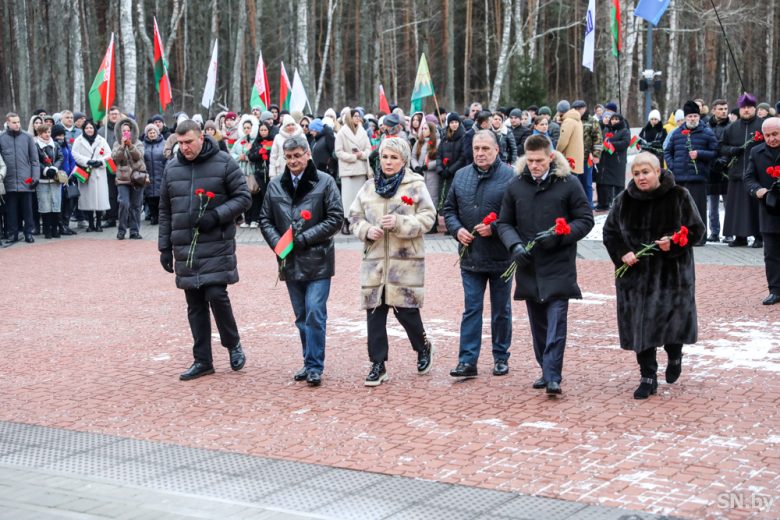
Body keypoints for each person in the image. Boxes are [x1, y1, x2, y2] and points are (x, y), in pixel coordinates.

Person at [497, 135, 594, 395]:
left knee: (556, 321)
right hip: (529, 265)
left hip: (559, 263)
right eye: (530, 161)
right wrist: (514, 245)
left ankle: (553, 374)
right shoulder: (515, 185)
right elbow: (504, 222)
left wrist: (560, 234)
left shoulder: (568, 183)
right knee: (538, 324)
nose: (534, 166)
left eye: (539, 160)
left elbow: (585, 219)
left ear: (550, 157)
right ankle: (545, 368)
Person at [602, 152, 705, 399]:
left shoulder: (679, 196)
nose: (641, 177)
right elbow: (609, 232)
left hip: (671, 276)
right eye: (636, 174)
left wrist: (676, 243)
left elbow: (697, 231)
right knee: (640, 326)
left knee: (673, 322)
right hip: (635, 278)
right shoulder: (623, 200)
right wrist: (622, 253)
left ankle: (674, 354)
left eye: (646, 172)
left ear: (658, 172)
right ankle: (648, 375)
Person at [158, 120, 251, 381]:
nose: (185, 147)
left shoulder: (223, 162)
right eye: (181, 143)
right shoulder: (172, 167)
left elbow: (244, 197)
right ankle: (202, 360)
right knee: (194, 303)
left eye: (189, 142)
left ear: (202, 137)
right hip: (185, 245)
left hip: (216, 243)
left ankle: (232, 343)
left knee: (216, 294)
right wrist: (164, 246)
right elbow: (165, 210)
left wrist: (216, 216)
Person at [348, 137, 435, 386]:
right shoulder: (368, 187)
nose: (388, 162)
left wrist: (401, 224)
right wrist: (365, 230)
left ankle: (423, 347)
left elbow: (428, 218)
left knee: (407, 312)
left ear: (404, 160)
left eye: (394, 157)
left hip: (405, 263)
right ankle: (378, 364)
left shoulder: (415, 185)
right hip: (375, 262)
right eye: (385, 157)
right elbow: (354, 217)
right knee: (375, 312)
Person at [259, 135, 343, 387]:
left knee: (315, 312)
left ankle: (315, 365)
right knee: (301, 315)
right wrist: (279, 244)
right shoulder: (275, 185)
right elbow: (265, 219)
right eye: (289, 157)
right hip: (289, 261)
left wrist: (303, 239)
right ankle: (308, 362)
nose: (294, 161)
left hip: (318, 258)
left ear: (308, 154)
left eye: (298, 155)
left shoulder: (325, 182)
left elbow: (335, 218)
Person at [443, 130, 514, 378]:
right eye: (476, 148)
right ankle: (467, 361)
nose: (480, 153)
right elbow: (449, 210)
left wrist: (495, 228)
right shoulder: (461, 175)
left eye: (485, 148)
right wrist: (457, 230)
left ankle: (501, 356)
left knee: (501, 309)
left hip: (501, 257)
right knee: (471, 308)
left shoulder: (510, 177)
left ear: (496, 150)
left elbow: (516, 215)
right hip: (471, 255)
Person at [664, 100, 719, 246]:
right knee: (680, 209)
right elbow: (668, 151)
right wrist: (672, 166)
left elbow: (715, 152)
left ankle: (700, 238)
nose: (692, 119)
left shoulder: (707, 132)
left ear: (699, 117)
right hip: (680, 177)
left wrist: (700, 154)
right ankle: (681, 237)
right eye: (690, 116)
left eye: (695, 116)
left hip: (698, 177)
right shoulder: (677, 133)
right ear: (685, 118)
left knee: (698, 209)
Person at [744, 117, 780, 305]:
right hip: (769, 208)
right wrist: (756, 189)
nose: (772, 139)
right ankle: (775, 290)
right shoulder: (756, 152)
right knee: (771, 253)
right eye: (768, 135)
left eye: (775, 134)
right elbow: (748, 178)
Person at [720, 93, 764, 248]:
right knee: (737, 208)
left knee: (756, 207)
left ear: (754, 108)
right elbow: (722, 146)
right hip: (737, 173)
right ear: (739, 109)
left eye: (749, 107)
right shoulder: (731, 128)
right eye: (743, 108)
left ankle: (759, 236)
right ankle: (740, 237)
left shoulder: (762, 125)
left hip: (757, 175)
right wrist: (733, 150)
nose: (746, 110)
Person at [0, 113, 40, 243]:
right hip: (9, 180)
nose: (17, 124)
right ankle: (13, 234)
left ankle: (28, 233)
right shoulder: (1, 138)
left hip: (26, 180)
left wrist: (35, 177)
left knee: (27, 210)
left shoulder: (28, 137)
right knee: (11, 210)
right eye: (14, 122)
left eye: (18, 122)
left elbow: (35, 161)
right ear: (8, 123)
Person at [335, 109, 373, 235]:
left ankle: (359, 222)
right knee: (348, 198)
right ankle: (346, 222)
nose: (357, 118)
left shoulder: (363, 131)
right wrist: (352, 157)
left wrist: (362, 154)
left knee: (360, 197)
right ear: (349, 118)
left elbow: (369, 148)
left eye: (358, 116)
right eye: (355, 116)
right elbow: (338, 152)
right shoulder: (342, 133)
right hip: (348, 170)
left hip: (361, 169)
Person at [72, 120, 110, 233]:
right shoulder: (78, 141)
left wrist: (100, 162)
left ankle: (98, 223)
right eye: (87, 128)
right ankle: (90, 224)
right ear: (83, 129)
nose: (89, 130)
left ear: (94, 129)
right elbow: (75, 154)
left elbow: (109, 154)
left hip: (99, 173)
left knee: (99, 199)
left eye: (91, 128)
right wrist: (87, 161)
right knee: (88, 199)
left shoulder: (101, 140)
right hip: (86, 172)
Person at [112, 118, 147, 240]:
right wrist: (122, 146)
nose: (126, 133)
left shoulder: (139, 143)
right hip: (122, 178)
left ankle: (134, 231)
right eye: (123, 131)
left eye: (128, 130)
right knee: (123, 203)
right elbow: (116, 159)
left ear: (132, 132)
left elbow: (138, 156)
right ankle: (121, 230)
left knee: (136, 206)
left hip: (137, 177)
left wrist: (130, 145)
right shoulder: (116, 144)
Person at [34, 123, 64, 239]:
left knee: (56, 204)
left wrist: (54, 168)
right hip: (43, 180)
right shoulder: (35, 145)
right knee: (45, 205)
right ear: (39, 133)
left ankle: (55, 229)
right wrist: (45, 169)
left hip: (55, 179)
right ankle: (47, 230)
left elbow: (60, 157)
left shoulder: (55, 144)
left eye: (49, 132)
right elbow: (35, 160)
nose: (47, 134)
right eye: (45, 132)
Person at [595, 113, 631, 211]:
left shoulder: (624, 131)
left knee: (617, 184)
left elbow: (625, 143)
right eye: (612, 119)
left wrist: (611, 145)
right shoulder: (607, 129)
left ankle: (619, 205)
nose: (614, 121)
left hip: (617, 161)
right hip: (606, 161)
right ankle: (604, 203)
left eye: (616, 119)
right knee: (604, 183)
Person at [706, 99, 730, 242]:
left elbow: (733, 145)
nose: (723, 111)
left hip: (727, 169)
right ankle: (714, 232)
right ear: (713, 110)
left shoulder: (732, 127)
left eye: (725, 108)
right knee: (713, 205)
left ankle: (729, 232)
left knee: (729, 204)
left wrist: (725, 160)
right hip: (711, 170)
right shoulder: (706, 127)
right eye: (720, 108)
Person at [230, 115, 260, 228]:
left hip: (252, 171)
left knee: (255, 194)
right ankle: (247, 219)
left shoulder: (255, 141)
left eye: (249, 127)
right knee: (246, 196)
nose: (247, 130)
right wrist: (239, 157)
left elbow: (257, 154)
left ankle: (255, 219)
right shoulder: (239, 141)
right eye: (245, 128)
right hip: (242, 172)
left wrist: (247, 158)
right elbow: (232, 154)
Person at [50, 124, 78, 236]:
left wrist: (71, 173)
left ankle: (66, 224)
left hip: (69, 178)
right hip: (59, 179)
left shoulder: (66, 146)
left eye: (62, 135)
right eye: (58, 135)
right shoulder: (54, 146)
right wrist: (61, 175)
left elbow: (72, 160)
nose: (60, 137)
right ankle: (60, 225)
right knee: (60, 203)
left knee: (71, 200)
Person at [411, 121, 441, 221]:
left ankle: (433, 220)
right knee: (421, 196)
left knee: (433, 196)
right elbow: (413, 157)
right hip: (420, 174)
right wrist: (416, 167)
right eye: (422, 128)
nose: (423, 130)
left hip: (433, 175)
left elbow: (439, 159)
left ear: (431, 130)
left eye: (426, 128)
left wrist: (428, 166)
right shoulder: (419, 142)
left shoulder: (438, 142)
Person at [142, 123, 167, 225]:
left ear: (157, 133)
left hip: (160, 173)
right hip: (148, 175)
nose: (152, 134)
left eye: (153, 132)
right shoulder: (143, 145)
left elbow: (167, 158)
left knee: (160, 198)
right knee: (150, 198)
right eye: (150, 132)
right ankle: (153, 216)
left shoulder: (164, 143)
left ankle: (161, 217)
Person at [556, 104, 584, 180]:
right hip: (576, 157)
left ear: (560, 111)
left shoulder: (568, 121)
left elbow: (563, 142)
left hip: (569, 158)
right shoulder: (577, 119)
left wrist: (557, 152)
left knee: (567, 184)